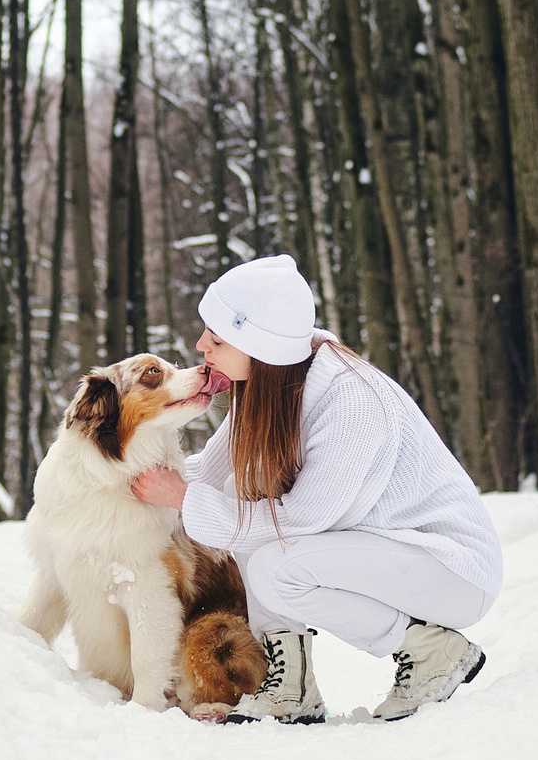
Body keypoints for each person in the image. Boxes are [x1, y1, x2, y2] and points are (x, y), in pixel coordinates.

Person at [129, 254, 503, 724]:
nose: (201, 345)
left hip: (451, 569)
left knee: (279, 565)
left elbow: (302, 520)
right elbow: (207, 472)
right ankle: (290, 687)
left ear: (258, 345)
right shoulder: (269, 387)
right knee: (242, 498)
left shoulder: (352, 402)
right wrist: (123, 478)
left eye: (217, 338)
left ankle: (432, 649)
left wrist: (181, 497)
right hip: (392, 554)